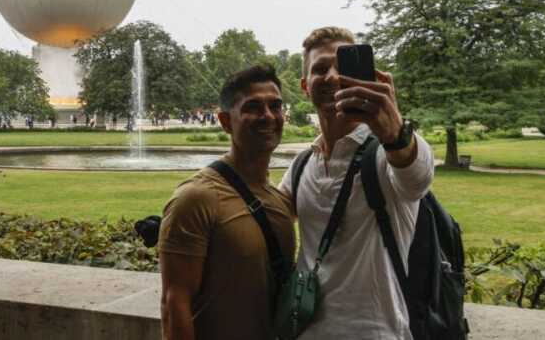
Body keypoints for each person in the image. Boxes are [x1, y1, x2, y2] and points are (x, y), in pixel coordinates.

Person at [278, 26, 435, 339]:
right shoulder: (303, 164)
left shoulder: (387, 153)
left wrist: (394, 132)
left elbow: (416, 179)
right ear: (305, 86)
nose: (333, 76)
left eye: (342, 66)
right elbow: (268, 219)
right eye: (320, 68)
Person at [159, 64, 295, 340]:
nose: (268, 116)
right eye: (253, 107)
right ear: (225, 121)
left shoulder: (278, 199)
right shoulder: (197, 198)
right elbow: (175, 304)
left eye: (275, 106)